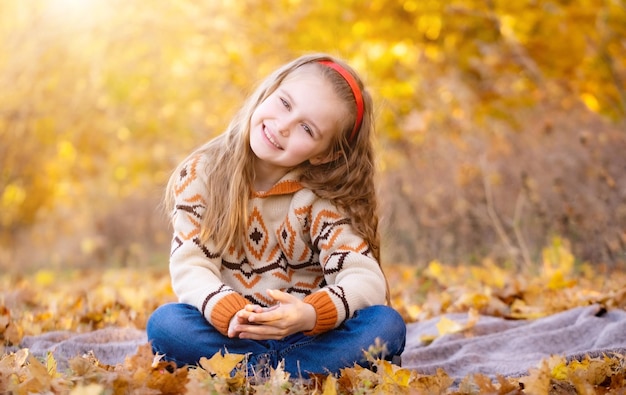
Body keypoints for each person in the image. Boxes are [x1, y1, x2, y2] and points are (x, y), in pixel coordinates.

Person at [147, 53, 406, 379]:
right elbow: (191, 265)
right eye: (284, 104)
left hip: (309, 337)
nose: (283, 126)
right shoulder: (204, 175)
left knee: (386, 325)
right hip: (233, 335)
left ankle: (256, 376)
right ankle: (293, 377)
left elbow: (365, 280)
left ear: (324, 153)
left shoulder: (323, 197)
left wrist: (310, 314)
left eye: (307, 128)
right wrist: (231, 312)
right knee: (166, 324)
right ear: (270, 90)